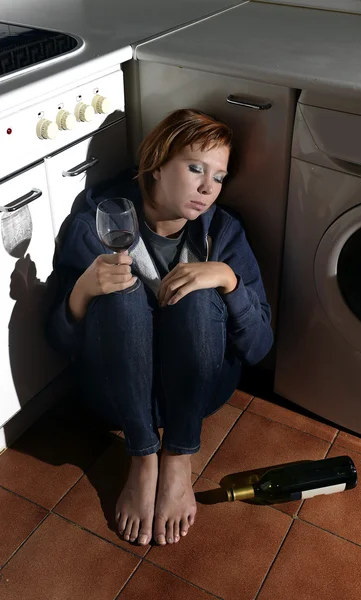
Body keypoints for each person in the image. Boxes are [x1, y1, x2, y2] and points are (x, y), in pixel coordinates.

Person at [47, 108, 273, 547]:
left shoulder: (223, 231)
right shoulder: (95, 225)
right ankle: (143, 455)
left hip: (196, 394)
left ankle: (179, 457)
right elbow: (58, 342)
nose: (208, 188)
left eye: (220, 177)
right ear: (155, 164)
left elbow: (260, 347)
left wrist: (227, 279)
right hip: (115, 395)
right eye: (195, 168)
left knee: (199, 293)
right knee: (121, 292)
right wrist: (82, 291)